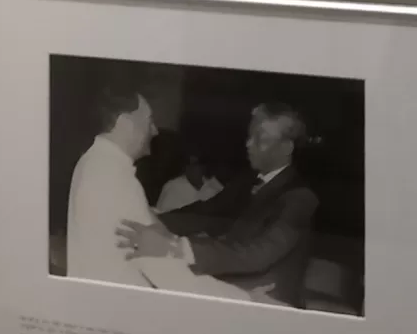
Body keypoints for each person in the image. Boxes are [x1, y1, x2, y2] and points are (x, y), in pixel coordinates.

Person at [118, 102, 318, 305]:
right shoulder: (247, 180)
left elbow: (256, 255)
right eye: (249, 136)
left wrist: (176, 248)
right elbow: (205, 213)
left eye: (260, 139)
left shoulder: (300, 198)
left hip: (268, 299)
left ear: (286, 148)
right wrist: (146, 216)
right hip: (234, 285)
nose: (249, 144)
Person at [66, 77, 161, 285]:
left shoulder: (94, 161)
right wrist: (240, 296)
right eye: (149, 120)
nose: (155, 130)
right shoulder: (114, 174)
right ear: (126, 124)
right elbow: (162, 267)